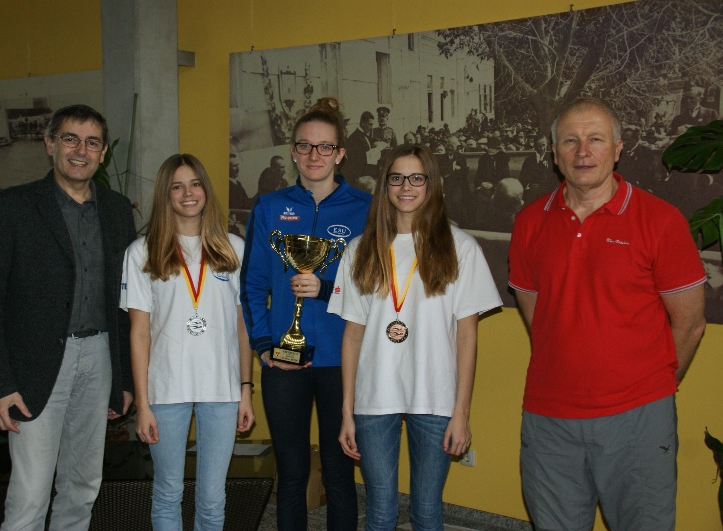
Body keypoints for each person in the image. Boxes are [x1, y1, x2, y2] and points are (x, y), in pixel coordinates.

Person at [508, 97, 707, 530]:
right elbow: (538, 316)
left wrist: (650, 387)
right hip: (549, 417)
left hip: (638, 418)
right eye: (570, 141)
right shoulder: (529, 222)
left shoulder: (661, 220)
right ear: (554, 152)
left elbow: (690, 324)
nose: (583, 152)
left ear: (617, 149)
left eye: (595, 139)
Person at [0, 104, 137, 530]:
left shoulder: (118, 210)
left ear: (103, 153)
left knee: (82, 487)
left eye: (92, 142)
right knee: (30, 495)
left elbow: (124, 301)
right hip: (35, 367)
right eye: (70, 139)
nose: (81, 151)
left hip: (99, 358)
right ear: (50, 144)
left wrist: (124, 381)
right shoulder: (12, 207)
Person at [330, 144, 501, 530]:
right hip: (374, 397)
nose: (406, 187)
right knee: (379, 510)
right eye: (396, 178)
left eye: (416, 178)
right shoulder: (360, 249)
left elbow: (467, 337)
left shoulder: (460, 247)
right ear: (385, 185)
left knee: (426, 510)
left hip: (435, 397)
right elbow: (353, 336)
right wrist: (347, 411)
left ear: (431, 184)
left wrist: (461, 413)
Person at [241, 97, 371, 531]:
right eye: (305, 145)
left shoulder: (366, 208)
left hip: (343, 359)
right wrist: (264, 346)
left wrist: (326, 289)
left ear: (340, 153)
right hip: (284, 359)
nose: (315, 155)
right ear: (293, 151)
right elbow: (252, 284)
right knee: (292, 474)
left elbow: (375, 287)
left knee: (339, 475)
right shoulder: (269, 207)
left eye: (325, 146)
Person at [122, 153, 255, 530]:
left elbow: (242, 326)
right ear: (165, 195)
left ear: (206, 190)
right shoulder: (142, 252)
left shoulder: (233, 248)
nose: (188, 193)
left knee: (213, 497)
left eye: (195, 184)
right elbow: (139, 332)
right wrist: (142, 405)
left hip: (221, 390)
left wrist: (245, 391)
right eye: (177, 187)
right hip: (166, 390)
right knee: (167, 492)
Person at [517, 134, 556, 205]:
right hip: (531, 195)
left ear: (547, 144)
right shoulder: (528, 161)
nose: (542, 148)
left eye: (543, 145)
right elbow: (522, 180)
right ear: (535, 146)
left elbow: (555, 180)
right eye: (539, 146)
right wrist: (528, 186)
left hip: (548, 194)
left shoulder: (552, 159)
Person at [343, 110, 375, 187]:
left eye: (372, 125)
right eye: (370, 124)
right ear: (363, 123)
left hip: (367, 179)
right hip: (360, 181)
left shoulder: (365, 136)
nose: (372, 127)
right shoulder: (353, 138)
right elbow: (354, 164)